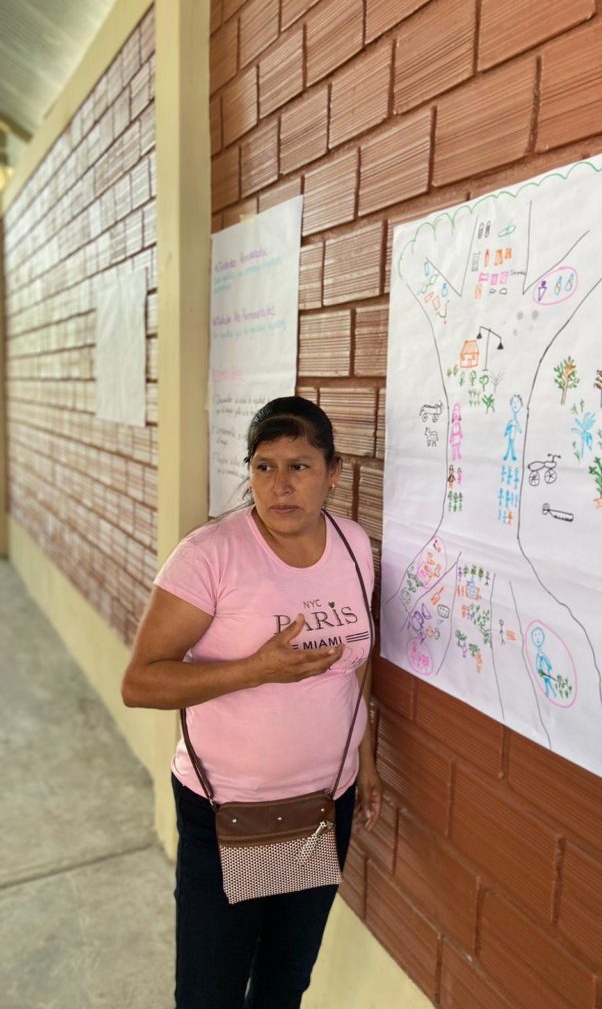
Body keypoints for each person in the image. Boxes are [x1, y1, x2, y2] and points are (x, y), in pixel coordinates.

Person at [122, 395, 383, 1009]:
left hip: (321, 805)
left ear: (334, 472)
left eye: (300, 466)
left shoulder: (354, 546)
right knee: (210, 992)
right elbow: (141, 683)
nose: (280, 486)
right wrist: (254, 670)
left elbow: (357, 666)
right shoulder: (212, 554)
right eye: (264, 467)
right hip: (228, 812)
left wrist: (365, 762)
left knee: (282, 981)